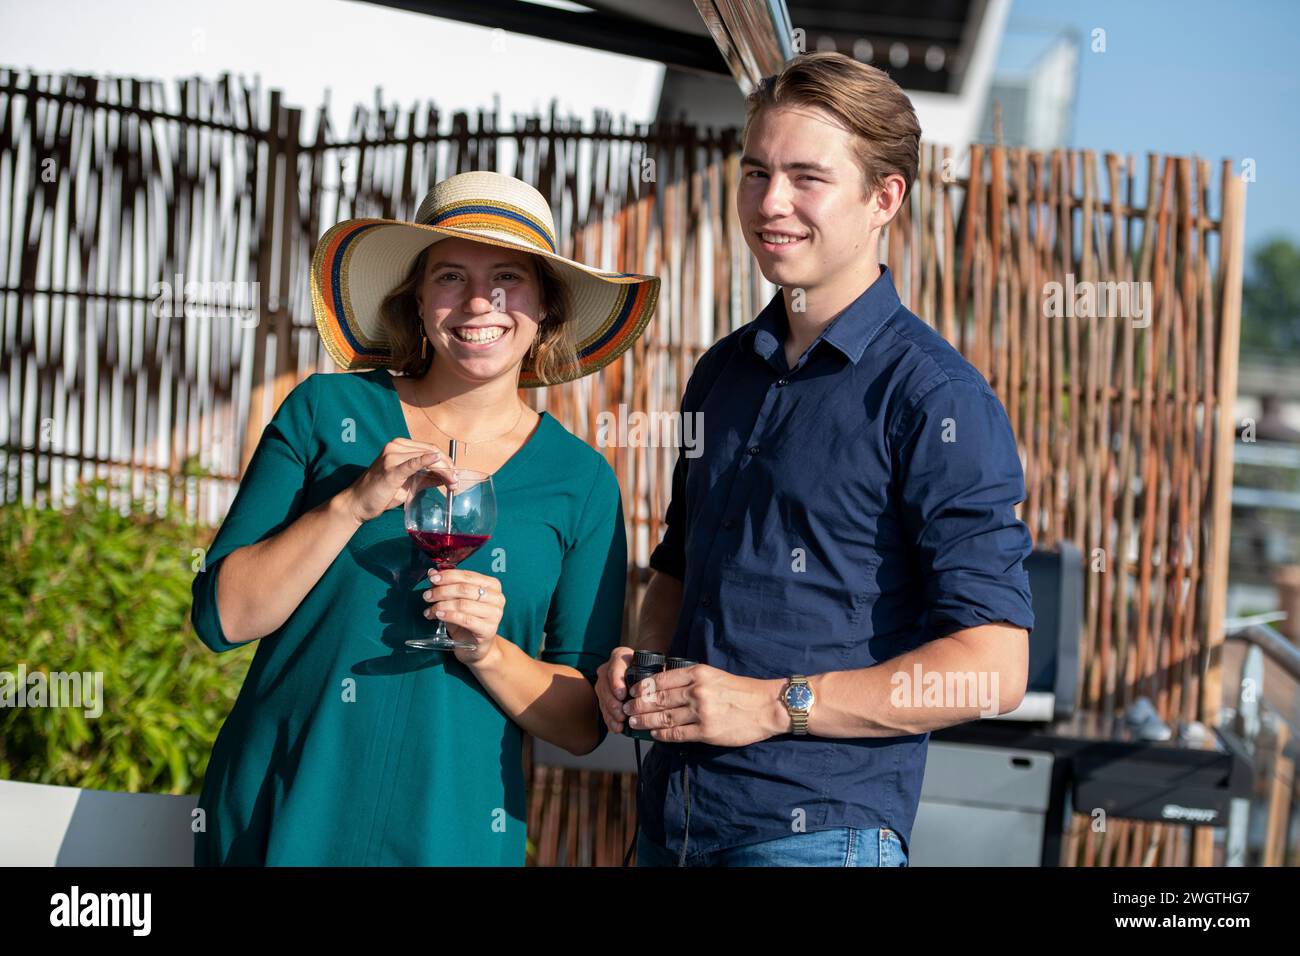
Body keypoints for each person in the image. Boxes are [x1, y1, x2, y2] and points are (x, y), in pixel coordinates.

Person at [596, 51, 1035, 867]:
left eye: (807, 177)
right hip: (671, 821)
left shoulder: (937, 399)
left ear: (884, 198)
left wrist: (773, 706)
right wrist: (644, 662)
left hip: (818, 837)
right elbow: (679, 572)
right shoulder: (720, 373)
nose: (771, 203)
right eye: (755, 172)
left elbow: (992, 671)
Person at [191, 170, 658, 865]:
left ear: (545, 309)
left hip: (457, 835)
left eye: (507, 277)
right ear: (415, 299)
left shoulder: (582, 482)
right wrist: (350, 504)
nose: (479, 301)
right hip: (280, 814)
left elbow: (582, 721)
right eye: (449, 276)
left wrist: (488, 651)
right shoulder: (324, 415)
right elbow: (223, 618)